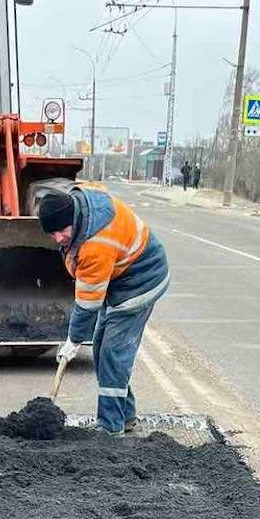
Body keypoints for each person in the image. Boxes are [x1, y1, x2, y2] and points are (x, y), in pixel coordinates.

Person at [39, 185, 169, 437]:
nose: (57, 238)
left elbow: (88, 304)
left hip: (141, 281)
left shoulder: (96, 245)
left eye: (61, 230)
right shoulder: (79, 205)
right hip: (121, 277)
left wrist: (73, 340)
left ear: (73, 219)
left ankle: (110, 428)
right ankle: (125, 415)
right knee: (101, 350)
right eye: (51, 233)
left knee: (112, 353)